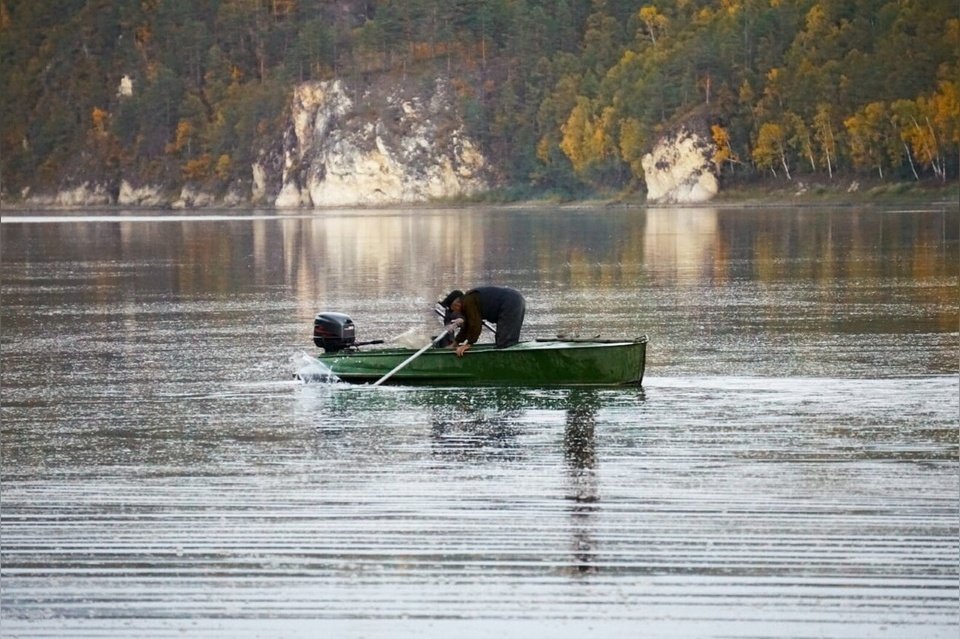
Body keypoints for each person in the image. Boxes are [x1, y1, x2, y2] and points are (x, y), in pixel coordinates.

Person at [439, 286, 526, 357]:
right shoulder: (469, 301)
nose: (455, 312)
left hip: (510, 302)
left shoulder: (468, 301)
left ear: (456, 303)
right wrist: (456, 342)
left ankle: (509, 362)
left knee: (505, 343)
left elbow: (475, 324)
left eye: (453, 309)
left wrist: (468, 344)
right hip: (515, 299)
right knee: (505, 341)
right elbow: (468, 326)